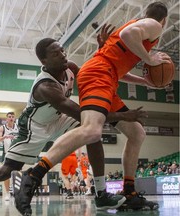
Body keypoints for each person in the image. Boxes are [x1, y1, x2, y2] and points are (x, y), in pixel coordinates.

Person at [0, 25, 146, 213]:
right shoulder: (45, 87)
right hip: (33, 127)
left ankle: (101, 194)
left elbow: (92, 73)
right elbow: (79, 112)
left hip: (59, 119)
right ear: (44, 61)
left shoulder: (70, 67)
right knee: (6, 171)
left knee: (93, 133)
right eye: (56, 54)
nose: (63, 55)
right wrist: (122, 115)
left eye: (62, 50)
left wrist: (101, 52)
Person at [12, 2, 169, 214]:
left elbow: (118, 66)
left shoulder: (141, 26)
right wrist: (149, 58)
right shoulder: (154, 26)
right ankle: (34, 174)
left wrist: (145, 82)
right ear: (164, 20)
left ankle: (129, 193)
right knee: (92, 129)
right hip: (99, 73)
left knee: (137, 133)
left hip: (107, 75)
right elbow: (128, 35)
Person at [0, 111, 19, 201]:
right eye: (9, 116)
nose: (11, 118)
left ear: (14, 118)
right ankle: (7, 193)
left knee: (17, 173)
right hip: (7, 154)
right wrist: (5, 137)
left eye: (13, 116)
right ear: (7, 118)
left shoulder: (18, 128)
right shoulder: (3, 128)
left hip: (17, 153)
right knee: (6, 174)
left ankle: (17, 192)